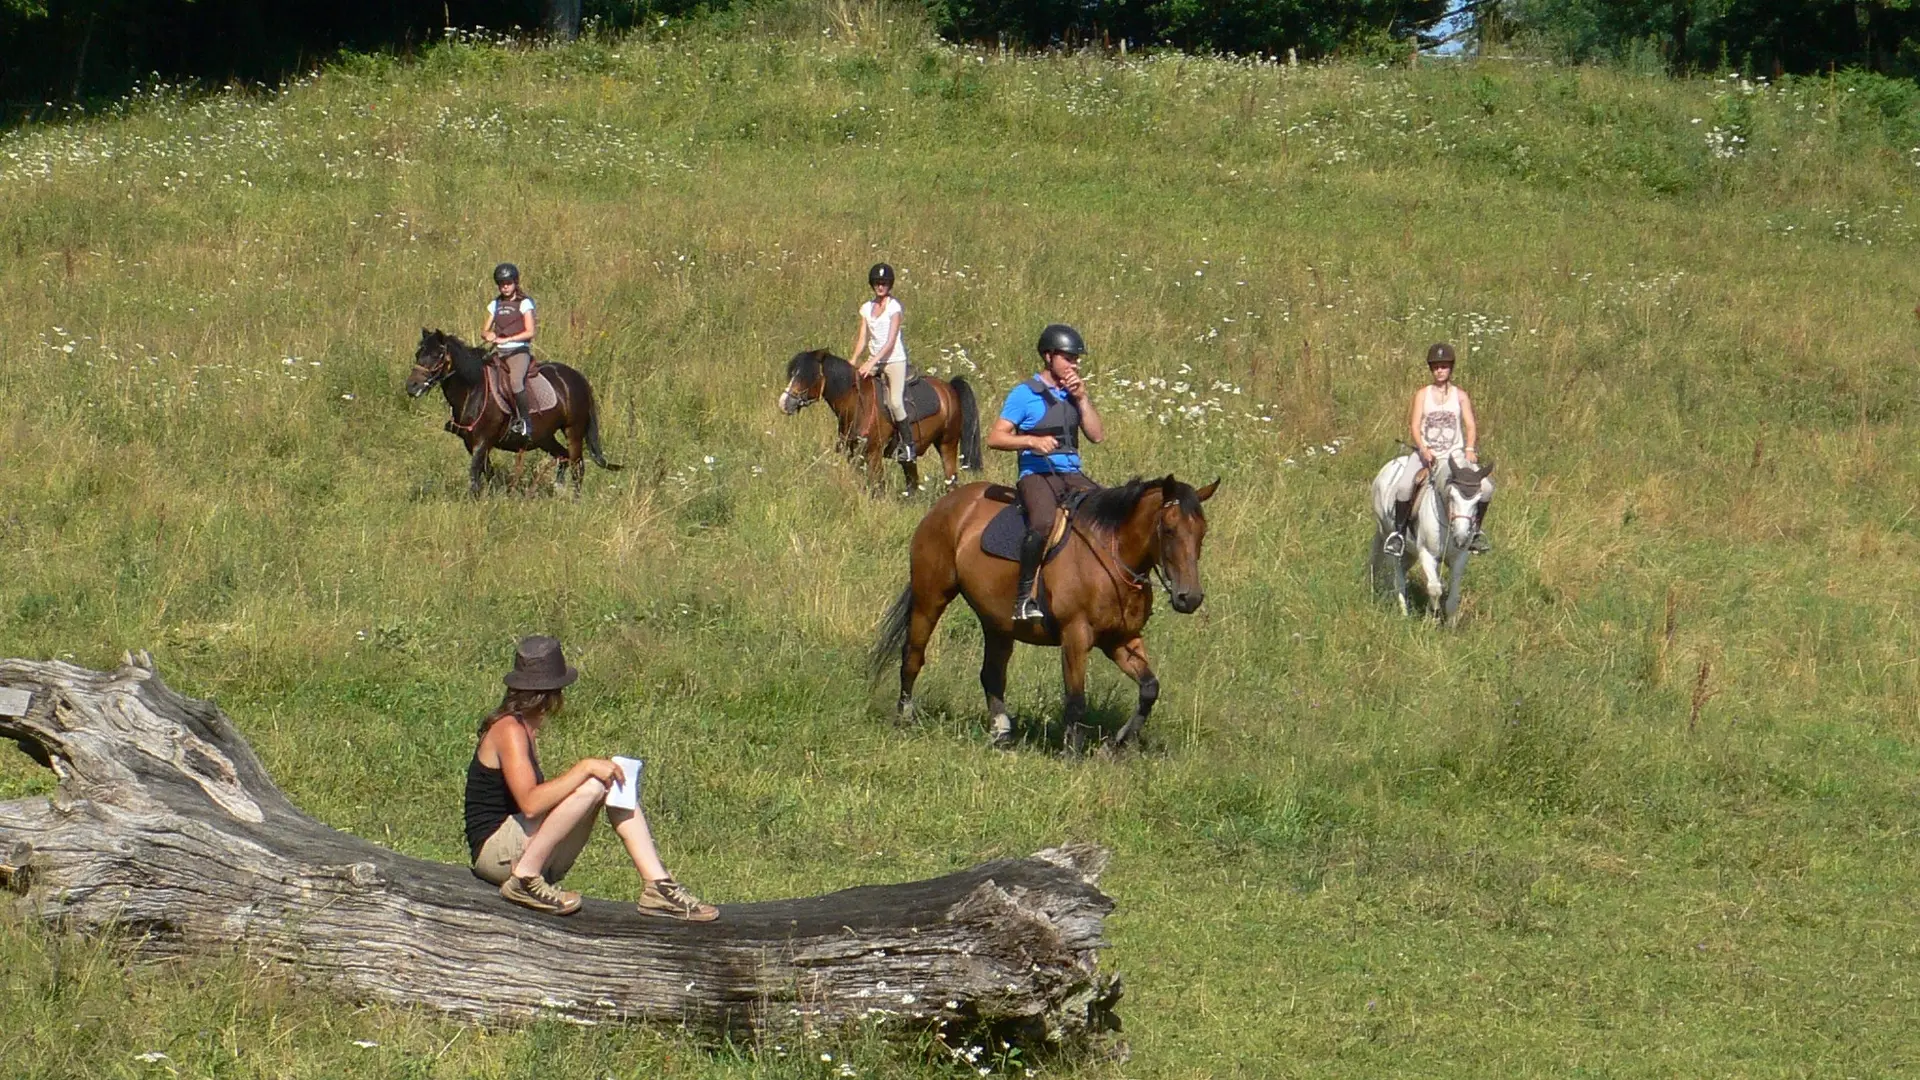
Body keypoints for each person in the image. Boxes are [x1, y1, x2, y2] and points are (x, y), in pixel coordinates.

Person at [463, 635, 717, 920]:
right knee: (593, 784)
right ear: (554, 691)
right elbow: (531, 803)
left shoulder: (525, 728)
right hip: (496, 853)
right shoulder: (508, 729)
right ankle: (524, 880)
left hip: (519, 848)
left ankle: (657, 886)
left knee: (610, 784)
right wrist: (583, 768)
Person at [986, 323, 1107, 622]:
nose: (1074, 364)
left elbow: (1097, 435)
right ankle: (1024, 598)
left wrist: (1082, 399)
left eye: (1077, 359)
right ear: (1049, 356)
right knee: (1042, 521)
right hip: (1037, 474)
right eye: (1068, 357)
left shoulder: (1074, 394)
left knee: (1106, 514)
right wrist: (1030, 440)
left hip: (1072, 473)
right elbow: (995, 437)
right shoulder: (1023, 394)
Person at [1382, 342, 1492, 557]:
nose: (1440, 370)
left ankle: (1476, 533)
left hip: (1456, 456)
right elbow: (1414, 425)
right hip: (1427, 454)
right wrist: (1423, 448)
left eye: (1444, 366)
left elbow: (1470, 424)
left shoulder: (1460, 396)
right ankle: (1399, 535)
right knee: (1404, 487)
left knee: (1486, 487)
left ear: (1451, 367)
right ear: (1431, 369)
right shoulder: (1422, 394)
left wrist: (1469, 448)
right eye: (1436, 367)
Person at [852, 262, 913, 464]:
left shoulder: (894, 308)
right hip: (875, 360)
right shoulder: (866, 309)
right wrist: (853, 360)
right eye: (878, 283)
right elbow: (863, 338)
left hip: (893, 360)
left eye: (884, 283)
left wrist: (871, 363)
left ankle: (908, 445)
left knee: (895, 401)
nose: (881, 287)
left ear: (890, 285)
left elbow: (890, 341)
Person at [480, 263, 538, 438]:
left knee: (515, 382)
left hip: (518, 352)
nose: (505, 286)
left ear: (515, 282)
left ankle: (525, 422)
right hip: (499, 352)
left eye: (508, 282)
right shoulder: (495, 304)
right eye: (501, 283)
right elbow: (484, 330)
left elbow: (530, 331)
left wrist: (507, 339)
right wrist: (487, 335)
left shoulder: (524, 303)